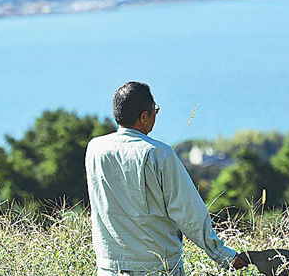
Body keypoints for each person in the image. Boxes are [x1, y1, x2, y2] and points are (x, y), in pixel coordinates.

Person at [85, 82, 248, 275]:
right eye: (155, 111)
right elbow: (190, 214)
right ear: (144, 117)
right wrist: (224, 255)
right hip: (157, 267)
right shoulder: (159, 154)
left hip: (109, 267)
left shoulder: (95, 149)